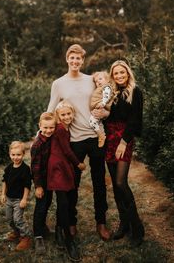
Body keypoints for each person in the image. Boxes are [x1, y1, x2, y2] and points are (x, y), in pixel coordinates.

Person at [47, 44, 110, 241]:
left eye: (79, 59)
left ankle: (101, 222)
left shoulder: (91, 80)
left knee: (99, 183)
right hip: (74, 141)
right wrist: (43, 134)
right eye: (72, 58)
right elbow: (51, 111)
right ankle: (71, 222)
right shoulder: (58, 84)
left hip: (95, 137)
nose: (75, 61)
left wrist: (105, 113)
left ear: (83, 61)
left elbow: (104, 104)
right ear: (67, 59)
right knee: (72, 183)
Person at [104, 60, 145, 247]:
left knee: (121, 182)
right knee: (115, 183)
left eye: (122, 73)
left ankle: (137, 228)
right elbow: (104, 116)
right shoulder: (110, 92)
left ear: (128, 73)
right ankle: (124, 224)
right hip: (109, 137)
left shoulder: (135, 91)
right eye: (116, 74)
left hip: (124, 138)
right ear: (112, 76)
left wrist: (124, 142)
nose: (119, 76)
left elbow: (135, 119)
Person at [48, 100, 86, 261]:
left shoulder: (64, 128)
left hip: (62, 166)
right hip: (58, 168)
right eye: (63, 114)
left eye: (69, 113)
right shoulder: (61, 130)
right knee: (63, 202)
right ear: (58, 115)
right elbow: (66, 150)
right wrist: (79, 163)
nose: (66, 116)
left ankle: (58, 231)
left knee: (64, 200)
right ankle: (69, 242)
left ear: (73, 114)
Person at [30, 112, 56, 255]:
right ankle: (38, 235)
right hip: (41, 180)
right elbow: (35, 167)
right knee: (40, 206)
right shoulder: (37, 144)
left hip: (50, 178)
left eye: (51, 127)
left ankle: (43, 228)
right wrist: (38, 186)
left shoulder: (51, 139)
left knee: (47, 203)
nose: (48, 130)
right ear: (40, 126)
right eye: (45, 127)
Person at [1, 141, 32, 251]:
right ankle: (16, 232)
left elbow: (27, 185)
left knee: (17, 219)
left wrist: (24, 199)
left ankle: (26, 236)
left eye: (18, 155)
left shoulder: (25, 169)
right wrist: (3, 194)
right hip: (9, 198)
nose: (16, 157)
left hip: (19, 199)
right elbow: (4, 181)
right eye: (13, 155)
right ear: (10, 154)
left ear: (23, 154)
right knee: (9, 219)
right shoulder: (8, 168)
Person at [89, 71, 118, 147]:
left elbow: (106, 95)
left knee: (92, 122)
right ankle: (102, 135)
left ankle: (101, 135)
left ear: (107, 80)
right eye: (96, 81)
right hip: (99, 106)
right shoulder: (99, 89)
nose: (98, 82)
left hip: (101, 106)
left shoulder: (106, 87)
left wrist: (103, 103)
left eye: (100, 79)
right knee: (98, 122)